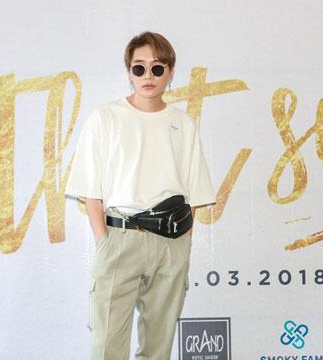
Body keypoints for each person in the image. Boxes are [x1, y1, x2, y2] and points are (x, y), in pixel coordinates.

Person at [66, 31, 216, 360]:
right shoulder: (105, 118)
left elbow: (194, 194)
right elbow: (90, 190)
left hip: (170, 242)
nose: (148, 76)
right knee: (107, 347)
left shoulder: (183, 124)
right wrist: (104, 240)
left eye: (157, 68)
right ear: (129, 72)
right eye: (139, 68)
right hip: (120, 237)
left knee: (158, 348)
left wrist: (181, 244)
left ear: (170, 72)